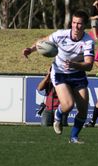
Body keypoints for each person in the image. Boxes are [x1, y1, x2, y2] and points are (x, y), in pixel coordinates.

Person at [22, 10, 94, 144]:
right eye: (73, 23)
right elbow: (42, 42)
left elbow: (89, 65)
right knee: (68, 105)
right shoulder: (61, 35)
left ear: (84, 26)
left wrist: (74, 65)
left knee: (83, 111)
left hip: (78, 75)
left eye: (79, 24)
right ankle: (58, 115)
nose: (76, 26)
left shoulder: (88, 41)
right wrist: (30, 50)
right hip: (60, 73)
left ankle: (74, 138)